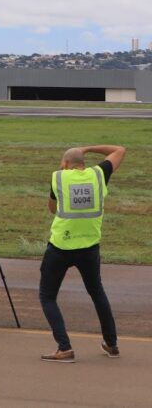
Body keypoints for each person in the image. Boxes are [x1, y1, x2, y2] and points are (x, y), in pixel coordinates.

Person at [39, 144, 126, 363]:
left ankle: (64, 347)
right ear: (83, 163)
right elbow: (119, 150)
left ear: (65, 164)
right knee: (97, 292)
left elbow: (52, 208)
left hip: (61, 246)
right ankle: (112, 344)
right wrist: (88, 148)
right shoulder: (98, 175)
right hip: (89, 246)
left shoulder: (59, 177)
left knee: (48, 296)